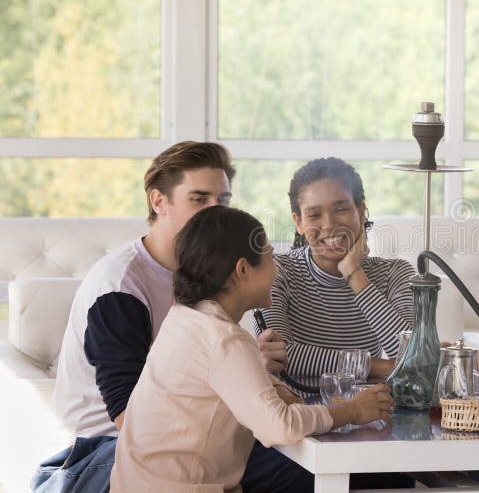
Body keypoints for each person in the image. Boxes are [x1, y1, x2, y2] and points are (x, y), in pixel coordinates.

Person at [31, 141, 291, 492]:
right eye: (199, 199)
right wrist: (245, 375)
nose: (214, 213)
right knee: (291, 463)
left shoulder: (210, 275)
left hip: (172, 444)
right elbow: (133, 420)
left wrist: (247, 370)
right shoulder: (120, 287)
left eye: (223, 201)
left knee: (296, 453)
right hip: (101, 457)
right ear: (158, 201)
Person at [110, 205, 393, 491]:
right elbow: (278, 426)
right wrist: (354, 410)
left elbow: (225, 378)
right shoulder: (224, 339)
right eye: (270, 258)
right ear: (243, 270)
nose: (277, 268)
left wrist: (273, 385)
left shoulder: (185, 317)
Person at [252, 157, 415, 379]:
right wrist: (385, 367)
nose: (328, 224)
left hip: (372, 408)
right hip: (300, 410)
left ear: (361, 210)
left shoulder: (395, 273)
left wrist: (353, 272)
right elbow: (279, 354)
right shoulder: (278, 272)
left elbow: (413, 356)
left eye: (341, 209)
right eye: (314, 215)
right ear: (298, 222)